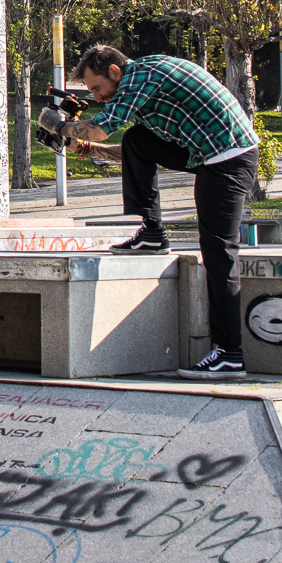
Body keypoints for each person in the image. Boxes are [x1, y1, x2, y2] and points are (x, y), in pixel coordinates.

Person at [50, 45, 259, 382]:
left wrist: (61, 127)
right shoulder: (144, 90)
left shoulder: (144, 73)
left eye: (97, 88)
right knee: (137, 139)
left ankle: (230, 353)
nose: (98, 97)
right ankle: (151, 233)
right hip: (208, 155)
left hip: (229, 160)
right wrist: (84, 147)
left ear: (115, 71)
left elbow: (103, 126)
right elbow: (129, 150)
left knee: (219, 251)